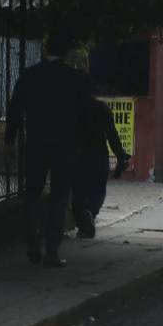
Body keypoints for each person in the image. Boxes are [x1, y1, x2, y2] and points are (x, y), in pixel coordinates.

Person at [5, 27, 91, 267]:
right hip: (65, 146)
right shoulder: (75, 78)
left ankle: (32, 239)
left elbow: (14, 110)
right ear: (65, 52)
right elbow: (85, 116)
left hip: (36, 143)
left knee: (31, 192)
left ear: (45, 49)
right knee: (59, 196)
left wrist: (9, 140)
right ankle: (51, 250)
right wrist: (80, 142)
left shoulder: (29, 75)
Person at [72, 93, 130, 239]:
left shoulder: (73, 108)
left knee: (78, 191)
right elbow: (112, 135)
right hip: (98, 155)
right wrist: (120, 156)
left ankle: (83, 221)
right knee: (98, 190)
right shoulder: (101, 108)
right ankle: (90, 214)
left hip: (78, 155)